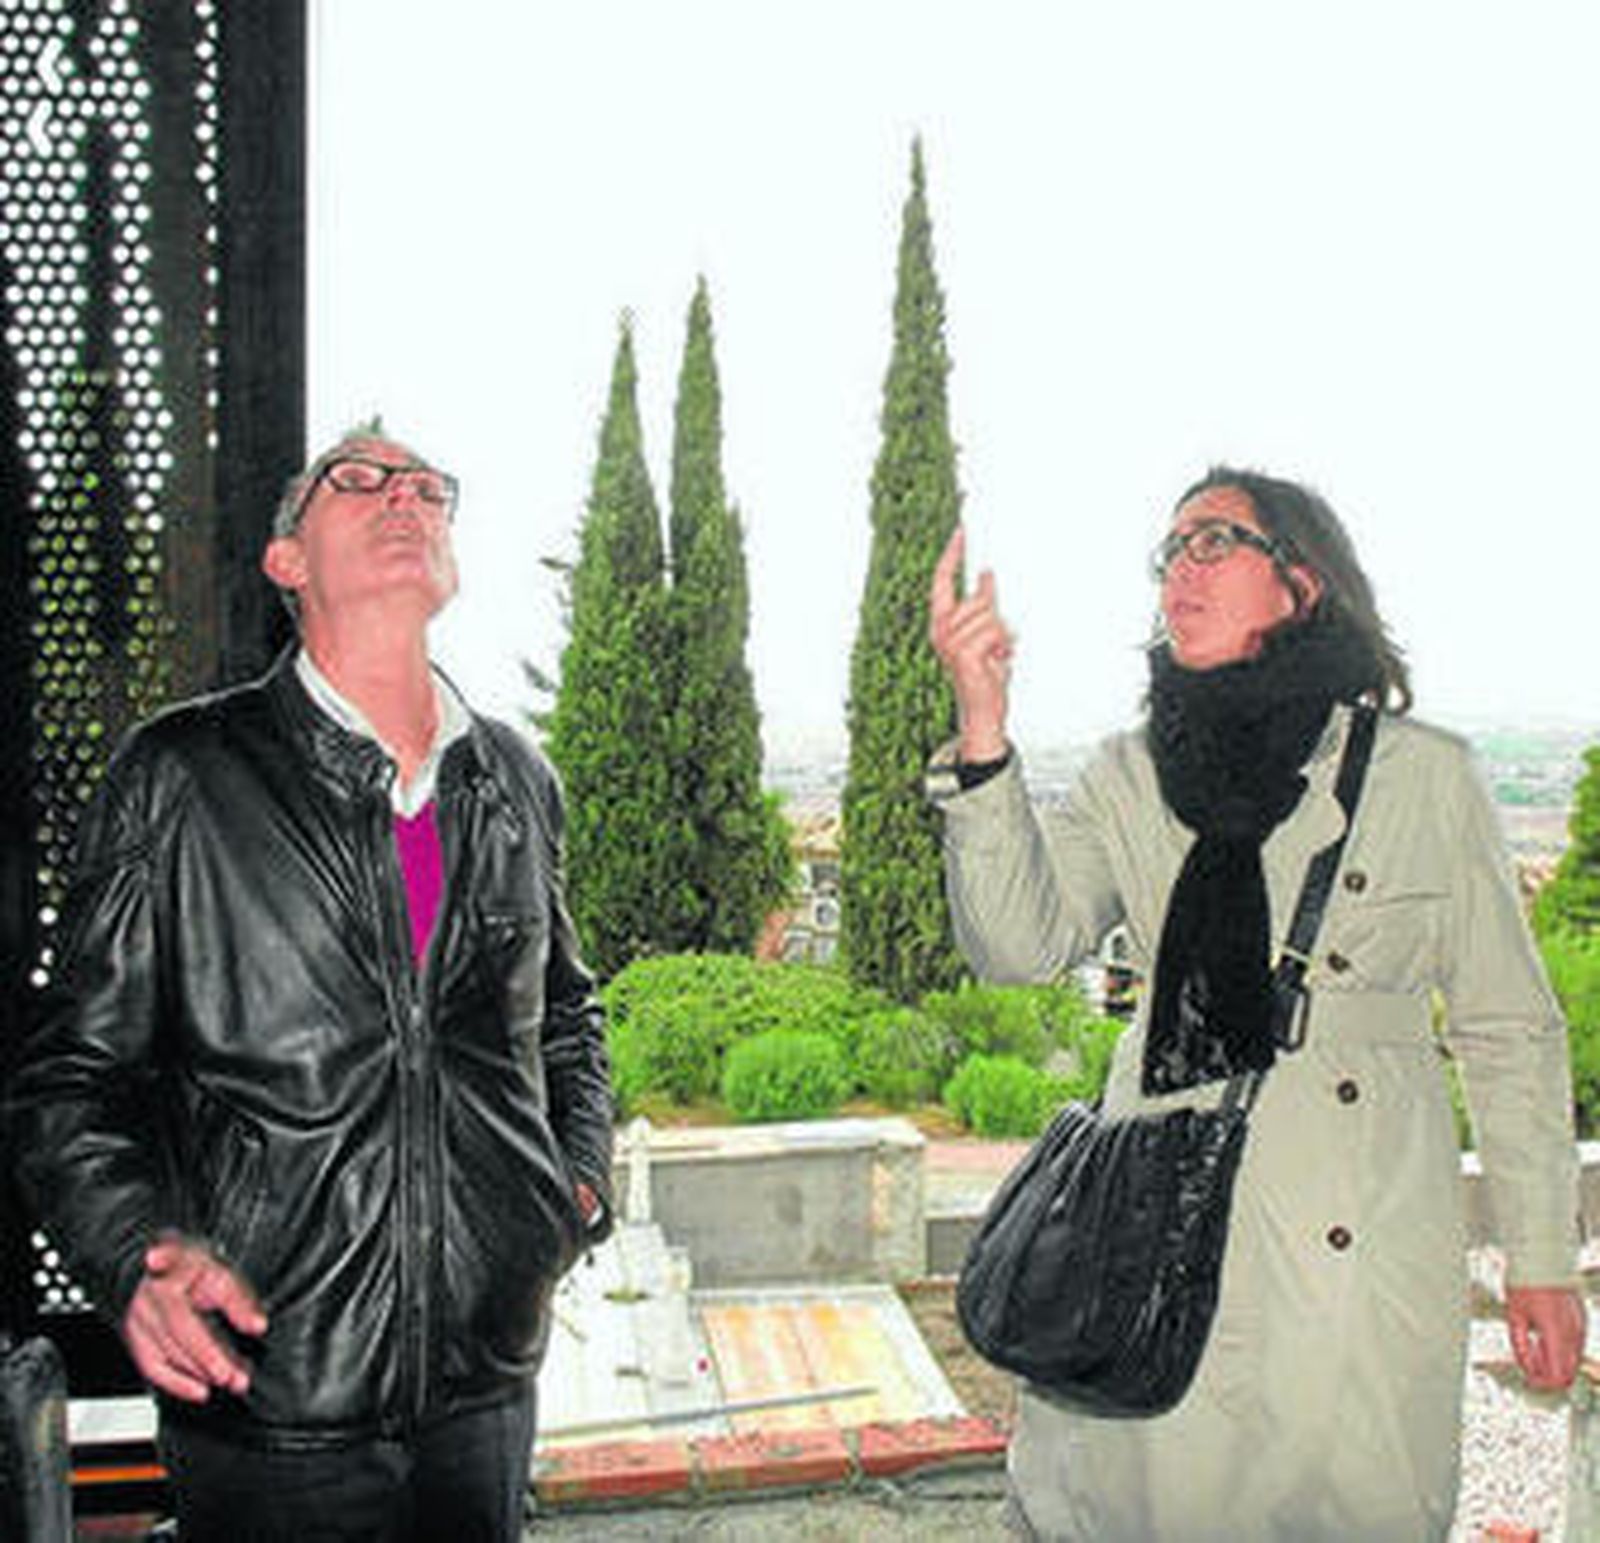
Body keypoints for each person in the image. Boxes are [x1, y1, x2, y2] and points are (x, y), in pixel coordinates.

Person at [928, 466, 1585, 1542]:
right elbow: (1017, 945)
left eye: (1213, 541)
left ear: (1303, 581)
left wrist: (1542, 1260)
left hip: (1356, 1236)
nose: (1177, 568)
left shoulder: (1425, 778)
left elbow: (1508, 1029)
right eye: (1169, 550)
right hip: (1160, 1219)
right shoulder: (1125, 775)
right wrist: (983, 724)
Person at [9, 425, 615, 1542]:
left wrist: (571, 1189)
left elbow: (567, 1020)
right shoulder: (182, 776)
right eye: (360, 477)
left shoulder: (514, 781)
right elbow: (68, 1077)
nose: (405, 496)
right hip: (270, 1397)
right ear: (287, 562)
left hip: (488, 1383)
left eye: (430, 487)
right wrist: (132, 1253)